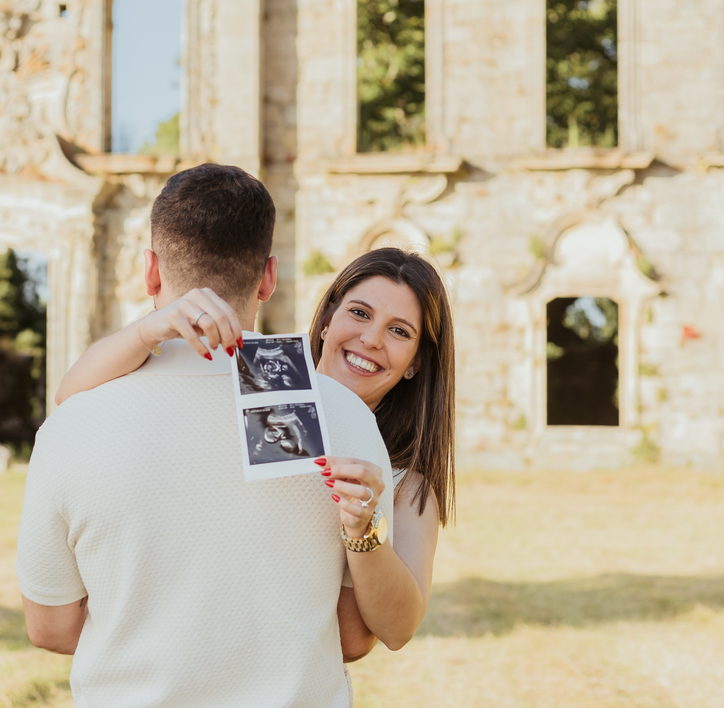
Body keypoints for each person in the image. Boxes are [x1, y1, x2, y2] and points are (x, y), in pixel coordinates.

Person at [17, 164, 394, 706]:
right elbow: (355, 635)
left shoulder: (71, 426)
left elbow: (49, 628)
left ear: (150, 273)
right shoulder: (346, 414)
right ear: (268, 277)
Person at [57, 245, 456, 655]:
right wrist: (146, 329)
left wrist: (365, 531)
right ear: (327, 321)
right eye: (359, 313)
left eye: (399, 331)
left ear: (415, 363)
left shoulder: (404, 483)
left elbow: (383, 632)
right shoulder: (270, 381)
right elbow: (69, 396)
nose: (371, 339)